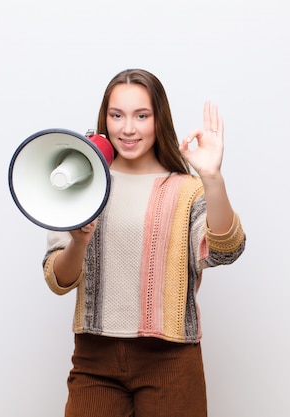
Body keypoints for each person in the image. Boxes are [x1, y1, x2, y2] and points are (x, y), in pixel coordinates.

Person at [42, 68, 246, 417]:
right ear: (104, 119)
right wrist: (78, 242)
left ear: (158, 119)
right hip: (95, 357)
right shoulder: (79, 186)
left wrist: (211, 177)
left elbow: (227, 251)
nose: (128, 128)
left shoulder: (187, 189)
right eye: (116, 115)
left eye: (141, 115)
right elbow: (57, 281)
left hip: (170, 359)